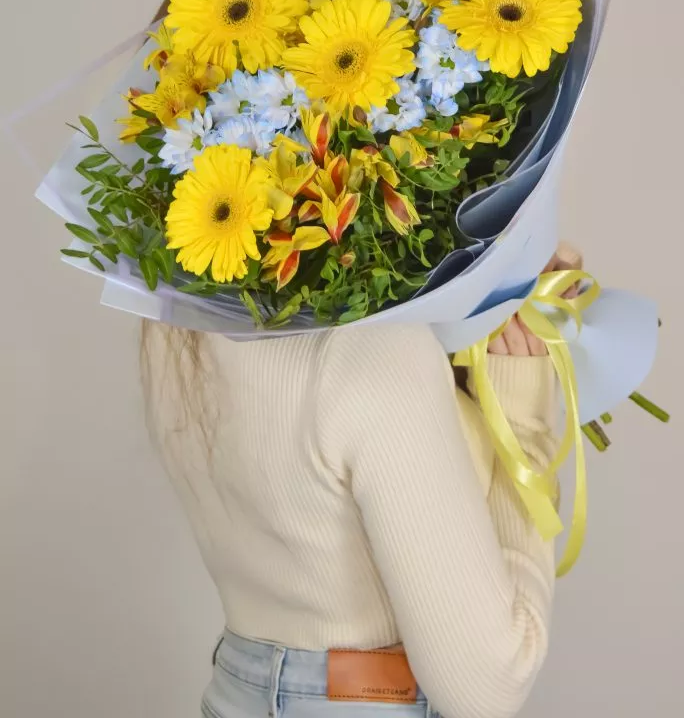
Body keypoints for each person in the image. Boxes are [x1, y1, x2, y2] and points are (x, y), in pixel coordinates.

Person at [141, 242, 581, 718]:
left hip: (235, 693)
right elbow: (492, 687)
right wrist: (522, 418)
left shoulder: (174, 320)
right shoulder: (378, 347)